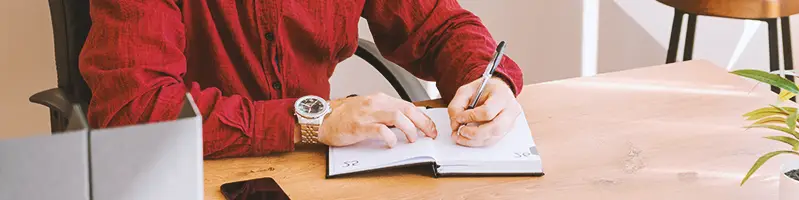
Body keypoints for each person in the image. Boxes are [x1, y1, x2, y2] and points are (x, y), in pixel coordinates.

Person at [79, 0, 524, 159]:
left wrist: (489, 81)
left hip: (309, 168)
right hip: (189, 168)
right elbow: (135, 111)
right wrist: (310, 121)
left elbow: (439, 26)